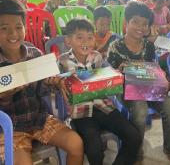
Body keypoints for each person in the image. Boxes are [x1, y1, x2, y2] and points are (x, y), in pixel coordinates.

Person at [0, 0, 84, 165]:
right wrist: (5, 96)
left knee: (76, 144)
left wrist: (53, 82)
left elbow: (43, 88)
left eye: (18, 27)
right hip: (9, 128)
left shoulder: (35, 55)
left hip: (39, 119)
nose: (13, 34)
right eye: (5, 28)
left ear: (25, 27)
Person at [107, 1, 170, 165]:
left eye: (145, 24)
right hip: (126, 89)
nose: (140, 27)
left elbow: (152, 69)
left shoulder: (149, 46)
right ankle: (136, 152)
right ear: (126, 22)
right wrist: (119, 70)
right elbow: (110, 77)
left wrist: (161, 76)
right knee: (140, 111)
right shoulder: (115, 46)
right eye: (135, 22)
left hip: (149, 87)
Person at [58, 18, 141, 165]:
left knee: (133, 136)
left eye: (90, 38)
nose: (86, 42)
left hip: (103, 105)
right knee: (94, 149)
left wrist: (117, 71)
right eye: (79, 37)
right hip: (80, 112)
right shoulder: (62, 62)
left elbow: (109, 72)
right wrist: (58, 81)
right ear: (68, 41)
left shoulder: (97, 56)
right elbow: (54, 84)